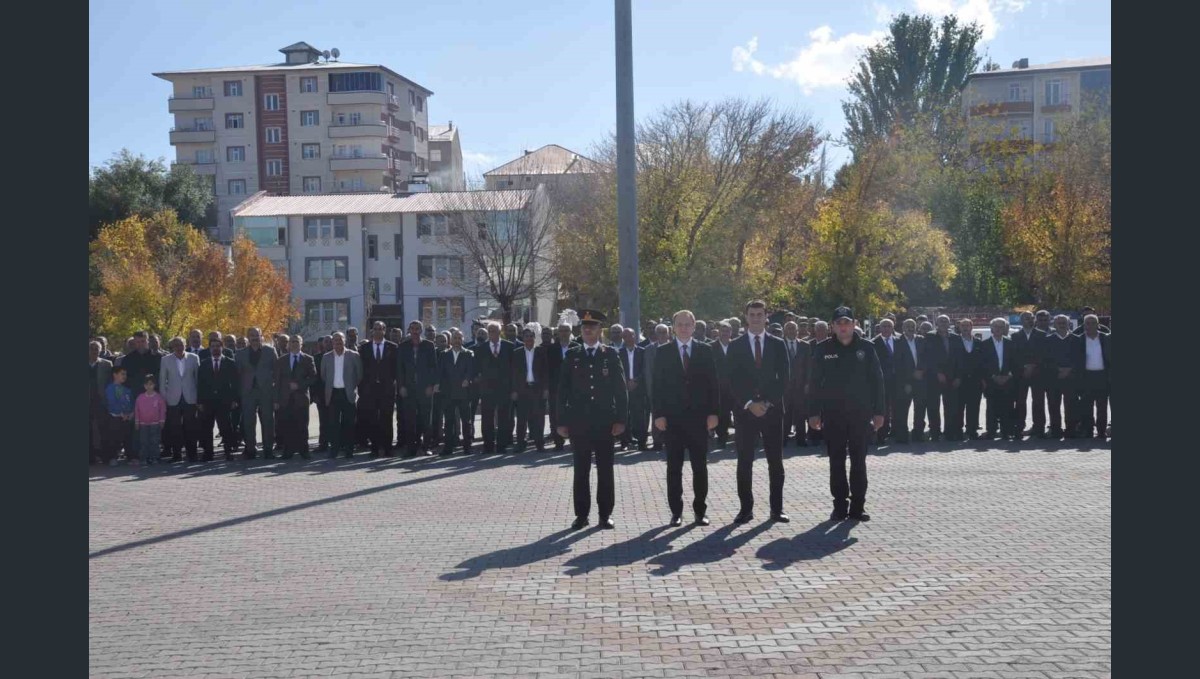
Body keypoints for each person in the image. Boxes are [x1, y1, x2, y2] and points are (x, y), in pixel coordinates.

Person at [807, 306, 885, 522]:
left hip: (861, 414)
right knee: (836, 461)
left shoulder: (867, 348)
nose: (843, 326)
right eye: (839, 323)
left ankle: (858, 506)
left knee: (859, 460)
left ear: (854, 323)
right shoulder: (823, 349)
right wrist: (813, 412)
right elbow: (814, 383)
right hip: (833, 415)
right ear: (832, 326)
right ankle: (840, 505)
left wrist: (879, 412)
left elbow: (877, 381)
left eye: (847, 322)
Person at [556, 310, 628, 530]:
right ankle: (581, 515)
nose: (588, 330)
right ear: (581, 331)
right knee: (581, 470)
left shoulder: (610, 354)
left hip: (605, 422)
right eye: (585, 327)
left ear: (600, 330)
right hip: (579, 423)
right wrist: (561, 422)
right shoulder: (572, 355)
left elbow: (620, 389)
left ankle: (605, 515)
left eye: (593, 326)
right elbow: (562, 391)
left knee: (605, 469)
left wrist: (621, 420)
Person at [653, 310, 719, 527]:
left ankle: (700, 511)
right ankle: (676, 512)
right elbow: (657, 386)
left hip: (699, 420)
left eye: (687, 324)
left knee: (700, 468)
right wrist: (659, 415)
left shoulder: (705, 350)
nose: (683, 328)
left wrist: (713, 413)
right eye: (679, 324)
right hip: (672, 421)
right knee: (674, 468)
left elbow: (713, 385)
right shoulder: (663, 352)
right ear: (673, 327)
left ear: (694, 326)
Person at [728, 300, 791, 524]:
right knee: (745, 461)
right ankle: (746, 509)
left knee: (775, 461)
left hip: (772, 411)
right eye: (752, 314)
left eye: (759, 314)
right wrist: (749, 403)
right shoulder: (735, 345)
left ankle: (777, 509)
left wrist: (766, 403)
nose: (756, 318)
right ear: (746, 317)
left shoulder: (777, 343)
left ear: (766, 317)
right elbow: (731, 379)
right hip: (745, 412)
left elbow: (784, 377)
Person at [235, 327, 278, 459]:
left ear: (261, 336)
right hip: (248, 392)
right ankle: (250, 449)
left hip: (265, 391)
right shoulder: (240, 354)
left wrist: (275, 393)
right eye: (251, 335)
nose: (254, 337)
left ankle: (268, 449)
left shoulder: (270, 351)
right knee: (248, 422)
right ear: (248, 337)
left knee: (268, 421)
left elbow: (277, 372)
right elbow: (237, 375)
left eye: (257, 335)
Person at [397, 320, 438, 457]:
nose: (415, 331)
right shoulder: (403, 346)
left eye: (418, 328)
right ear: (409, 330)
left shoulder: (429, 345)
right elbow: (400, 369)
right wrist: (401, 386)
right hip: (408, 388)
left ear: (421, 331)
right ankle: (410, 448)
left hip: (425, 388)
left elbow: (433, 367)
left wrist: (431, 385)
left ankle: (425, 447)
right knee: (409, 419)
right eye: (412, 328)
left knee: (426, 419)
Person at [358, 321, 399, 457]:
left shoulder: (393, 347)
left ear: (384, 330)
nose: (377, 331)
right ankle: (375, 448)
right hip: (370, 390)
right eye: (375, 329)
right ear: (372, 331)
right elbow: (361, 370)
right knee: (373, 419)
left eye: (380, 329)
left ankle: (387, 448)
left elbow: (396, 369)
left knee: (387, 418)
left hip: (387, 389)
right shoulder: (364, 348)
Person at [475, 321, 515, 454]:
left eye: (495, 330)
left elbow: (514, 370)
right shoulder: (481, 348)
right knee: (487, 419)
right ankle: (488, 446)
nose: (492, 333)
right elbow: (478, 369)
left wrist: (513, 388)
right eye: (490, 330)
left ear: (500, 331)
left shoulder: (509, 347)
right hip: (487, 390)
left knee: (504, 419)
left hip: (504, 389)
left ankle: (502, 445)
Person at [273, 335, 316, 459]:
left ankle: (304, 451)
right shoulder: (281, 360)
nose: (294, 344)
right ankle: (288, 451)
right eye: (292, 342)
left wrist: (299, 385)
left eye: (297, 342)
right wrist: (276, 400)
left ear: (301, 344)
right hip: (285, 398)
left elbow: (313, 378)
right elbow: (277, 381)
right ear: (288, 344)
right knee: (287, 425)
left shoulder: (308, 359)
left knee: (302, 425)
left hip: (301, 398)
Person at [197, 336, 239, 460]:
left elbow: (235, 383)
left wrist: (235, 400)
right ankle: (208, 453)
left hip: (224, 401)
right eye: (213, 346)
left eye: (218, 346)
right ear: (209, 348)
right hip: (208, 401)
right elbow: (200, 383)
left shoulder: (230, 363)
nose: (215, 349)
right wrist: (199, 401)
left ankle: (228, 451)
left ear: (222, 347)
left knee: (225, 427)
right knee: (207, 427)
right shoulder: (204, 364)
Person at [159, 337, 200, 462]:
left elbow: (198, 379)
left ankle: (192, 454)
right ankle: (176, 454)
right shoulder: (165, 360)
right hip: (173, 398)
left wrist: (199, 398)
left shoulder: (194, 358)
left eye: (181, 344)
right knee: (174, 427)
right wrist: (164, 398)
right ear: (172, 347)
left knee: (190, 427)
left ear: (185, 344)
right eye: (176, 345)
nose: (178, 347)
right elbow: (162, 380)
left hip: (190, 397)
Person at [511, 323, 549, 452]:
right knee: (521, 419)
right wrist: (514, 390)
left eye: (530, 336)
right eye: (526, 336)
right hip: (522, 390)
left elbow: (546, 373)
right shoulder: (516, 353)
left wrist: (545, 389)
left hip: (537, 390)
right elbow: (513, 374)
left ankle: (539, 443)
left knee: (538, 418)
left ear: (534, 337)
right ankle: (521, 443)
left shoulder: (541, 352)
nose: (528, 338)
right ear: (522, 338)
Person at [922, 315, 960, 442]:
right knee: (933, 406)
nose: (944, 323)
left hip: (951, 377)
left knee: (950, 406)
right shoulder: (930, 336)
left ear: (949, 323)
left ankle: (949, 432)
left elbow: (959, 359)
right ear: (936, 323)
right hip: (934, 378)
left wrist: (957, 376)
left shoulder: (955, 337)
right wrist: (937, 372)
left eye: (946, 321)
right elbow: (928, 357)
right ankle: (935, 432)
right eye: (941, 321)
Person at [1011, 311, 1049, 439]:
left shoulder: (1042, 335)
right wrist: (1024, 367)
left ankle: (1039, 428)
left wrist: (1033, 366)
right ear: (1021, 321)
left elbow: (1044, 354)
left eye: (1031, 318)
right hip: (1021, 374)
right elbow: (1014, 356)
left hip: (1038, 373)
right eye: (1027, 318)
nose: (1030, 320)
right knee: (1020, 402)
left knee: (1038, 402)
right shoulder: (1015, 336)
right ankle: (1019, 427)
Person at [439, 328, 476, 454]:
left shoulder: (468, 353)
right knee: (449, 422)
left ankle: (467, 447)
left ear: (463, 339)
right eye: (455, 338)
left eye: (459, 338)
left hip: (463, 392)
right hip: (448, 393)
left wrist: (467, 379)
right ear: (451, 340)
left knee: (466, 421)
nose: (457, 340)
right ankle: (448, 448)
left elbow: (471, 370)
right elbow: (441, 373)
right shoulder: (444, 354)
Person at [979, 318, 1017, 440]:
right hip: (991, 381)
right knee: (991, 407)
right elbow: (982, 364)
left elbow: (1015, 362)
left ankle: (1007, 431)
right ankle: (991, 431)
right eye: (996, 326)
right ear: (991, 328)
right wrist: (993, 376)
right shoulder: (984, 344)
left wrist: (1008, 375)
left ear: (1005, 329)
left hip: (1008, 380)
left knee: (1008, 406)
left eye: (1001, 326)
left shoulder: (1011, 343)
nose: (998, 329)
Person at [1044, 315, 1080, 439]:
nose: (1061, 324)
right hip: (1054, 378)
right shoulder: (1047, 340)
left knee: (1071, 405)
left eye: (1064, 322)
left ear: (1069, 324)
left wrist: (1069, 369)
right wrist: (1058, 369)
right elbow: (1045, 360)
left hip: (1071, 378)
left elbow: (1080, 358)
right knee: (1053, 405)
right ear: (1054, 325)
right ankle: (1055, 430)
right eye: (1059, 322)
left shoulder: (1076, 339)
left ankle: (1071, 430)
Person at [1075, 314, 1110, 440]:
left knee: (1102, 406)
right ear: (1084, 325)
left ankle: (1101, 431)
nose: (1090, 326)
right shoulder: (1078, 340)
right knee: (1087, 406)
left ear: (1098, 324)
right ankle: (1088, 430)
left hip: (1102, 376)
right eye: (1087, 323)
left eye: (1092, 323)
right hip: (1086, 377)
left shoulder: (1106, 338)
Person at [892, 319, 927, 443]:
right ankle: (902, 436)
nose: (910, 328)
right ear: (903, 328)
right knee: (902, 410)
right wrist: (910, 377)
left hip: (921, 380)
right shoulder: (897, 342)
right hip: (905, 382)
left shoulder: (921, 340)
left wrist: (921, 370)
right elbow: (897, 364)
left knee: (920, 409)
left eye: (912, 326)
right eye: (907, 326)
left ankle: (918, 434)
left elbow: (926, 358)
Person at [546, 322, 578, 451]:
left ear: (570, 332)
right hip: (556, 388)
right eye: (562, 331)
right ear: (558, 333)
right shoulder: (551, 349)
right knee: (556, 415)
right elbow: (548, 370)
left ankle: (574, 442)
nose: (564, 333)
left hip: (574, 388)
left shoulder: (577, 347)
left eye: (566, 330)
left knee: (574, 415)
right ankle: (558, 442)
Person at [950, 319, 983, 441]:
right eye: (962, 325)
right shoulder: (954, 342)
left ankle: (972, 430)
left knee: (974, 407)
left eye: (967, 325)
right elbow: (952, 362)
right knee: (958, 407)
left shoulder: (979, 342)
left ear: (971, 327)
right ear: (959, 327)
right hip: (959, 380)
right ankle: (958, 431)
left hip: (975, 381)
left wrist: (982, 379)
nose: (965, 328)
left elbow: (982, 363)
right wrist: (955, 377)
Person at [617, 327, 648, 451]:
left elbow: (645, 369)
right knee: (624, 416)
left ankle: (641, 442)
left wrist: (636, 381)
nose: (628, 339)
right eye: (625, 337)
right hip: (624, 388)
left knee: (640, 416)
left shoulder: (642, 351)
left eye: (630, 336)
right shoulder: (619, 353)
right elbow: (618, 370)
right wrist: (626, 383)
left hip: (638, 388)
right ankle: (625, 442)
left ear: (635, 336)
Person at [642, 324, 671, 451]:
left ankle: (671, 440)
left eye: (664, 332)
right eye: (659, 332)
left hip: (672, 389)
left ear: (669, 333)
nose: (662, 335)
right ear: (655, 334)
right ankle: (657, 442)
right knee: (656, 415)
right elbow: (648, 372)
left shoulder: (675, 347)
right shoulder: (649, 349)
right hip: (656, 388)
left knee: (672, 415)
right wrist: (650, 391)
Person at [871, 319, 898, 444]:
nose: (886, 328)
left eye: (889, 326)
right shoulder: (873, 343)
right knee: (884, 408)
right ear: (880, 328)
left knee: (898, 407)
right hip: (882, 382)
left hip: (898, 381)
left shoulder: (899, 340)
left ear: (893, 328)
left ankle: (897, 433)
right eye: (884, 326)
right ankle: (882, 434)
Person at [782, 321, 809, 447]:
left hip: (800, 386)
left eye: (793, 328)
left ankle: (801, 439)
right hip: (785, 387)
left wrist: (807, 383)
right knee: (785, 414)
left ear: (797, 330)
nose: (791, 331)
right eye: (789, 328)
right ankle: (783, 439)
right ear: (785, 331)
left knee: (800, 414)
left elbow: (809, 367)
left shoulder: (805, 345)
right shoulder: (779, 345)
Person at [710, 321, 736, 449]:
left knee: (739, 414)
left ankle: (740, 439)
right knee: (723, 415)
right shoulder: (710, 347)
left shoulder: (737, 346)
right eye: (722, 331)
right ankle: (722, 438)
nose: (725, 333)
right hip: (719, 388)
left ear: (731, 332)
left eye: (727, 331)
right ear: (718, 332)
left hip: (736, 388)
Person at [104, 366, 136, 465]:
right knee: (114, 438)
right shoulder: (110, 388)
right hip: (115, 417)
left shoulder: (127, 389)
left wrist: (131, 412)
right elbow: (112, 402)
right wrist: (121, 413)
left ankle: (131, 457)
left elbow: (130, 402)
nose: (124, 376)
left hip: (126, 417)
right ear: (115, 375)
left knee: (128, 437)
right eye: (122, 374)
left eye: (125, 374)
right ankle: (113, 457)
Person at [134, 375, 167, 466]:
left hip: (155, 423)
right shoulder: (140, 398)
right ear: (144, 386)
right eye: (147, 384)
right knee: (144, 441)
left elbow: (162, 410)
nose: (149, 386)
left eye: (151, 384)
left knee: (155, 441)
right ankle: (144, 458)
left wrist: (162, 421)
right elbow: (137, 410)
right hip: (143, 423)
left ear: (154, 385)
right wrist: (137, 422)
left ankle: (155, 457)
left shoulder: (159, 397)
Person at [90, 341, 113, 464]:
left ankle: (106, 456)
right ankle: (90, 457)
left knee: (103, 429)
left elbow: (110, 383)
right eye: (92, 348)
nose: (94, 351)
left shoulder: (107, 364)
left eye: (96, 349)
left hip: (101, 401)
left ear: (100, 350)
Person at [429, 332, 450, 450]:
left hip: (448, 389)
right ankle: (435, 439)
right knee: (436, 416)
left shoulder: (450, 353)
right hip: (436, 389)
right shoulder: (432, 354)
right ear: (435, 342)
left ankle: (448, 439)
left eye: (444, 341)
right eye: (440, 341)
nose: (442, 343)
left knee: (449, 416)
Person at [310, 336, 330, 452]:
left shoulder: (338, 355)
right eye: (326, 342)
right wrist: (314, 395)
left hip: (336, 393)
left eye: (330, 341)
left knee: (335, 420)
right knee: (323, 420)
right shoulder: (316, 358)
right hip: (321, 394)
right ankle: (323, 444)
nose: (328, 344)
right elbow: (314, 378)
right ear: (322, 344)